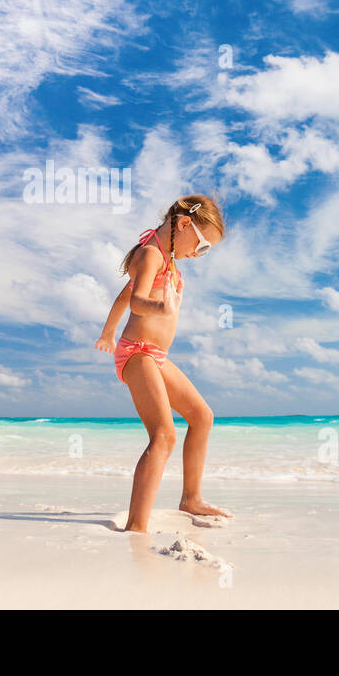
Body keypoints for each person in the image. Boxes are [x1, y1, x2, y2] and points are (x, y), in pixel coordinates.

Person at [96, 195, 231, 533]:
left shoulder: (165, 258)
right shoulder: (150, 254)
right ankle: (136, 525)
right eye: (201, 247)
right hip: (137, 353)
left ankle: (191, 498)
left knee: (202, 416)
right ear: (184, 225)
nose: (198, 255)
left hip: (156, 356)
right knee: (164, 434)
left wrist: (107, 332)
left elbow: (123, 296)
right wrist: (158, 309)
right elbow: (138, 301)